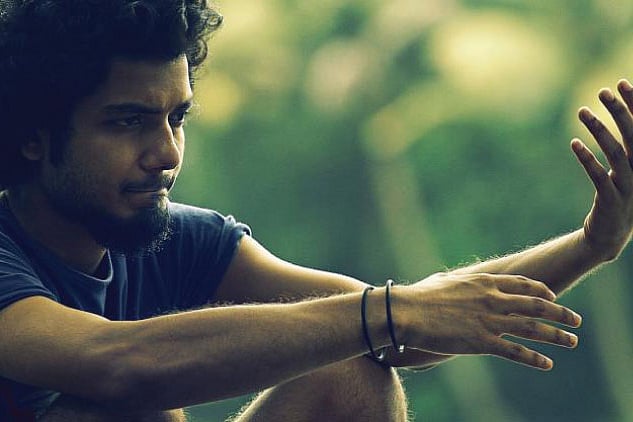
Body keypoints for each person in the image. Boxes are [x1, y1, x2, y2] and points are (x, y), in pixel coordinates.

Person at [0, 1, 631, 421]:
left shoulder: (180, 239)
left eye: (178, 118)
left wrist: (591, 245)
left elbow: (410, 325)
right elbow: (121, 366)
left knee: (352, 368)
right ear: (34, 135)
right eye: (127, 122)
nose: (165, 153)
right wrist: (387, 313)